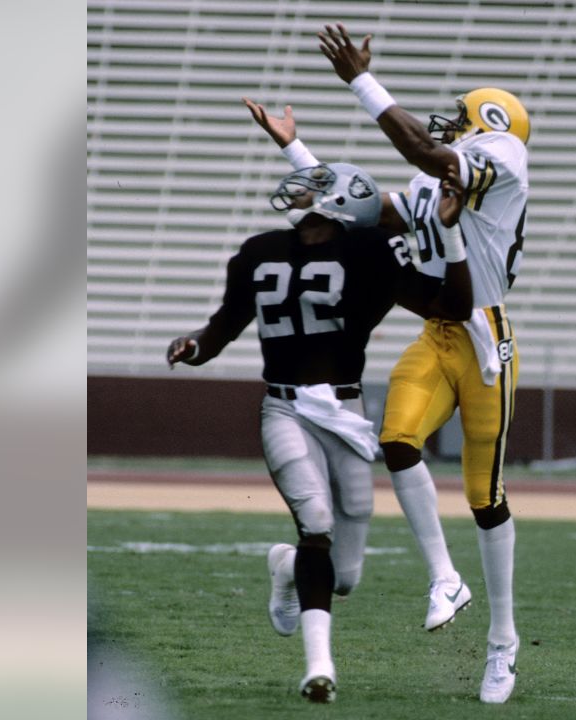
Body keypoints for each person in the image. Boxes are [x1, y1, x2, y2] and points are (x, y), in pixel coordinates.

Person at [244, 22, 531, 704]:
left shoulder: (504, 162)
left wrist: (360, 81)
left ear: (486, 124)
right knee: (397, 440)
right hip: (436, 329)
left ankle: (503, 643)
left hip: (486, 338)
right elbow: (360, 211)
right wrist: (296, 152)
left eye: (460, 119)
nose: (447, 126)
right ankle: (443, 577)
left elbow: (429, 150)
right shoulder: (440, 179)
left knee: (486, 498)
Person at [166, 161, 472, 703]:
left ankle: (285, 566)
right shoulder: (259, 250)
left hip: (345, 413)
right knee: (317, 524)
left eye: (318, 188)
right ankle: (318, 666)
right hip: (284, 408)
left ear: (341, 207)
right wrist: (194, 345)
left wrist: (448, 234)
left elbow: (451, 306)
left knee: (345, 575)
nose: (302, 191)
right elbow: (224, 325)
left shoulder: (372, 253)